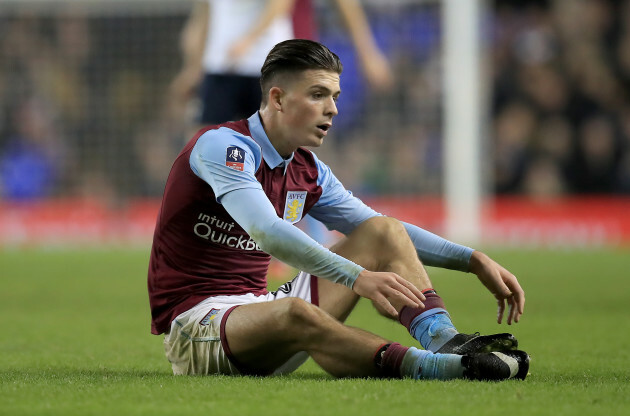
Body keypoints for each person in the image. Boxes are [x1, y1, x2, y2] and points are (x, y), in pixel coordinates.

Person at [148, 39, 529, 381]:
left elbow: (379, 230)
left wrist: (472, 259)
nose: (332, 110)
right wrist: (357, 278)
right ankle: (435, 370)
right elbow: (266, 230)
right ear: (278, 99)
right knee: (295, 312)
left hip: (260, 316)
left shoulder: (308, 170)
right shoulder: (222, 147)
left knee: (383, 230)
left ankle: (447, 344)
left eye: (335, 96)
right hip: (198, 327)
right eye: (318, 94)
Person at [168, 0, 392, 129]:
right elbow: (204, 16)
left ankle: (300, 204)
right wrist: (192, 66)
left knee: (293, 143)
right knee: (215, 141)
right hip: (229, 65)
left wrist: (368, 54)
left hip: (290, 60)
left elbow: (345, 6)